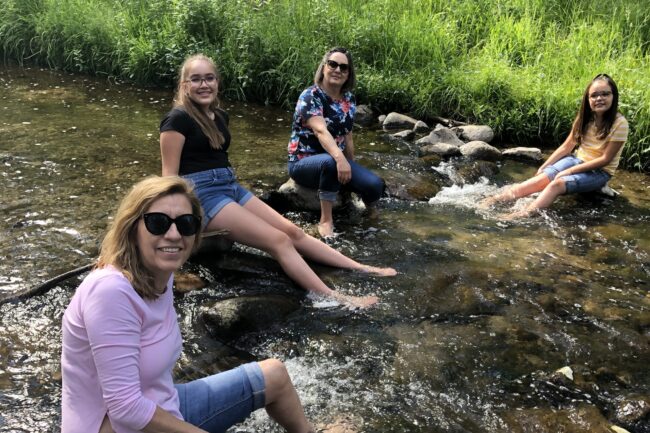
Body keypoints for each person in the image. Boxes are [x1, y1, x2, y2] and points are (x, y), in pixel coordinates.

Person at [61, 176, 314, 433]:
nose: (173, 235)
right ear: (132, 228)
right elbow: (125, 408)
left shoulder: (161, 275)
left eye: (186, 224)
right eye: (157, 223)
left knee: (274, 376)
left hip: (163, 404)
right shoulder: (110, 292)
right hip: (118, 426)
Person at [159, 54, 396, 310]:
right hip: (203, 195)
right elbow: (169, 178)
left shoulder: (219, 116)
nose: (204, 85)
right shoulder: (177, 119)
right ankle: (333, 297)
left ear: (217, 82)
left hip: (229, 185)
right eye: (196, 79)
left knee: (293, 232)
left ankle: (360, 267)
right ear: (184, 85)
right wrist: (177, 223)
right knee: (278, 241)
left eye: (209, 78)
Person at [480, 74, 628, 219]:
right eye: (594, 95)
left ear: (613, 96)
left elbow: (605, 159)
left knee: (556, 185)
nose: (599, 98)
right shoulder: (584, 118)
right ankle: (494, 200)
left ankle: (519, 215)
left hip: (600, 171)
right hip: (576, 160)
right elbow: (567, 146)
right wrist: (544, 166)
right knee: (539, 180)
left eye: (605, 94)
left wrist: (568, 172)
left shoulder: (620, 123)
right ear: (588, 99)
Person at [287, 47, 386, 238]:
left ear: (348, 74)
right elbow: (320, 131)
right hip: (303, 162)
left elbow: (348, 135)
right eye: (333, 64)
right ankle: (326, 220)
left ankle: (371, 213)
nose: (337, 70)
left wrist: (350, 167)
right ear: (324, 67)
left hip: (334, 159)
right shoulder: (310, 96)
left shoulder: (348, 99)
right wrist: (340, 160)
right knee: (331, 162)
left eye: (343, 67)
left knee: (374, 184)